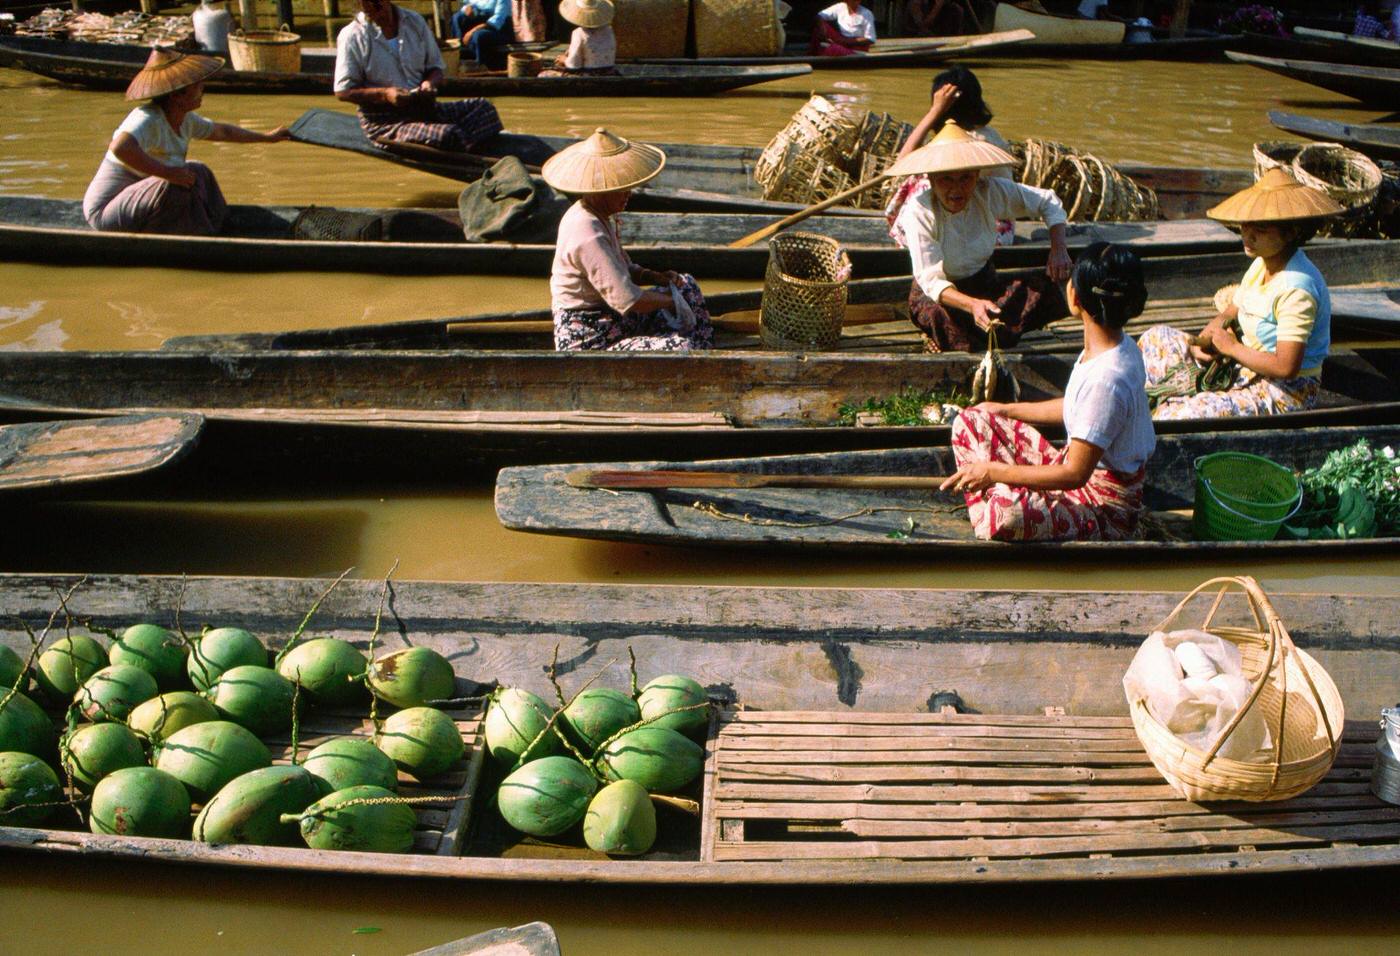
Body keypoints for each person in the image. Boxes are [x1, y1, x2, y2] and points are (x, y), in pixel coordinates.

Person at [941, 243, 1156, 542]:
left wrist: (993, 472)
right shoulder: (1117, 346)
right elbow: (1079, 409)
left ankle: (997, 498)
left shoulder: (1108, 378)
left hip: (1102, 507)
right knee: (971, 420)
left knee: (1005, 513)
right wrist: (1004, 410)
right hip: (1074, 472)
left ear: (1075, 298)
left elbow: (1074, 475)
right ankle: (1002, 491)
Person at [1139, 168, 1344, 420]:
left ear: (1291, 233)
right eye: (1246, 225)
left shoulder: (1297, 288)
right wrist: (1208, 339)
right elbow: (1230, 311)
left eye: (1260, 228)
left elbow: (1286, 366)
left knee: (1180, 416)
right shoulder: (1262, 262)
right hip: (1242, 364)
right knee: (1156, 337)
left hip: (1283, 391)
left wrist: (1232, 348)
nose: (1247, 234)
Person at [887, 120, 1071, 353]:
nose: (956, 189)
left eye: (965, 178)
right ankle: (958, 337)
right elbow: (932, 282)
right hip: (939, 299)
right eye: (946, 179)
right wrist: (972, 305)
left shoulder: (989, 191)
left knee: (1047, 290)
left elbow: (1048, 202)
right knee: (941, 319)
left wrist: (1059, 249)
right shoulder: (919, 211)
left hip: (984, 285)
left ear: (976, 175)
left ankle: (985, 333)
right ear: (931, 180)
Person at [82, 48, 289, 235]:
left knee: (198, 171)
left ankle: (220, 225)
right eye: (196, 86)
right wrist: (168, 173)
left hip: (141, 203)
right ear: (177, 95)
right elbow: (120, 147)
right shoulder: (148, 118)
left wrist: (267, 138)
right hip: (106, 213)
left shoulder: (185, 120)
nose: (202, 89)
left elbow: (223, 132)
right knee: (171, 184)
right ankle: (199, 234)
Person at [545, 128, 714, 352]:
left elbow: (625, 268)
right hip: (592, 336)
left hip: (615, 320)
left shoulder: (601, 217)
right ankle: (695, 352)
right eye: (621, 189)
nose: (628, 194)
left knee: (687, 285)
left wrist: (656, 278)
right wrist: (671, 302)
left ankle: (704, 349)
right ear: (601, 191)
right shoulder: (586, 229)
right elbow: (627, 300)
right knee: (681, 346)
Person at [334, 0, 502, 153]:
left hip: (423, 108)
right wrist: (385, 94)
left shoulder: (414, 21)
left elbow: (435, 68)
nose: (370, 9)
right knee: (447, 134)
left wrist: (429, 84)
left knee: (485, 109)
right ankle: (461, 143)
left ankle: (459, 141)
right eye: (364, 4)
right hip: (386, 121)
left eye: (376, 4)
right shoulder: (352, 35)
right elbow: (343, 91)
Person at [886, 66, 1015, 248]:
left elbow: (903, 162)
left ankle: (914, 236)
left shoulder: (973, 140)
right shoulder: (976, 134)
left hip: (986, 231)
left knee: (920, 182)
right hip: (977, 222)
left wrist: (934, 111)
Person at [549, 0, 618, 75]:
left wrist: (564, 60)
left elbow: (574, 64)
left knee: (545, 74)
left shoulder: (579, 33)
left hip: (588, 75)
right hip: (609, 72)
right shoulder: (609, 30)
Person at [452, 0, 512, 69]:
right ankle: (460, 56)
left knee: (479, 35)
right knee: (457, 17)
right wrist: (467, 8)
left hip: (498, 30)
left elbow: (497, 21)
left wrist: (472, 31)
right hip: (478, 23)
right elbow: (465, 4)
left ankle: (482, 66)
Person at [810, 0, 875, 57]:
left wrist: (845, 41)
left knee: (834, 49)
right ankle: (814, 53)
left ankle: (826, 52)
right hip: (841, 40)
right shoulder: (840, 7)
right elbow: (820, 15)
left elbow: (870, 39)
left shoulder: (867, 13)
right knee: (817, 29)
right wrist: (822, 28)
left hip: (857, 48)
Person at [900, 0, 970, 36]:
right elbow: (923, 24)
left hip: (935, 29)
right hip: (917, 32)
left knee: (956, 10)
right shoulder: (915, 3)